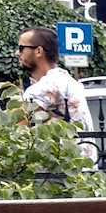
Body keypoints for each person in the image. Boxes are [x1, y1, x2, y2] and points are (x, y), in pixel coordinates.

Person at [16, 26, 96, 161]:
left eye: (21, 48)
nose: (17, 53)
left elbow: (12, 126)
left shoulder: (47, 86)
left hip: (59, 175)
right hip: (82, 170)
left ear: (39, 51)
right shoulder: (66, 80)